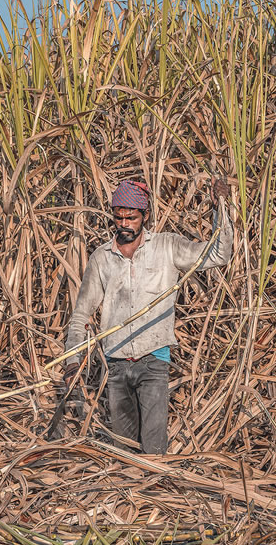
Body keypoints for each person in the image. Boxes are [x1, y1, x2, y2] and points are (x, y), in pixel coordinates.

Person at [62, 178, 234, 454]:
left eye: (131, 218)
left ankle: (156, 493)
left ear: (145, 216)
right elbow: (82, 312)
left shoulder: (167, 247)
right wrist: (72, 361)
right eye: (118, 218)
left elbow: (218, 255)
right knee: (124, 450)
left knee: (154, 449)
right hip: (115, 366)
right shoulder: (102, 258)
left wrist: (221, 211)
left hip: (154, 361)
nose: (124, 224)